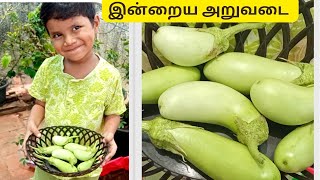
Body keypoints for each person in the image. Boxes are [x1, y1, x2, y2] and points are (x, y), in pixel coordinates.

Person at [21, 3, 127, 180]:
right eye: (57, 35)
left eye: (76, 28)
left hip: (87, 165)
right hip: (50, 162)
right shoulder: (48, 68)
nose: (68, 40)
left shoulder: (110, 75)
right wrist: (31, 125)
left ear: (95, 23)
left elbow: (113, 113)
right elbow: (40, 103)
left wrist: (109, 133)